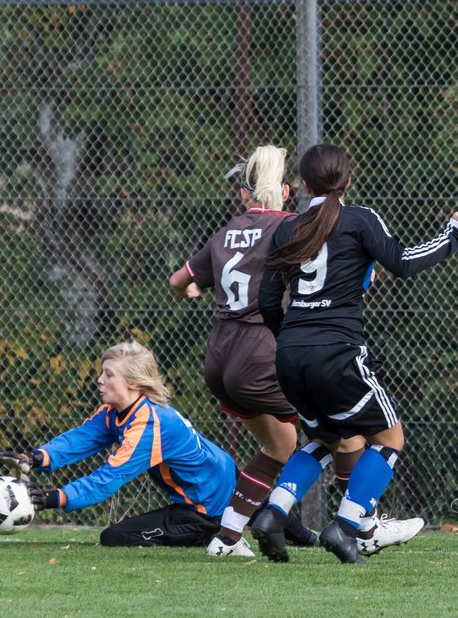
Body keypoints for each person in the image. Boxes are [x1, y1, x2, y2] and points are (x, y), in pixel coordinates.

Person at [169, 145, 419, 559]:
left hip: (220, 357)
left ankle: (230, 535)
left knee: (284, 444)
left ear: (245, 196)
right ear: (286, 193)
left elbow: (180, 281)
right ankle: (362, 524)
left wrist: (193, 289)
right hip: (268, 353)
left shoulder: (227, 231)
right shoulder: (299, 225)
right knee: (342, 434)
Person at [251, 142, 458, 564]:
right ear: (348, 181)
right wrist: (453, 235)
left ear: (302, 185)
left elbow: (266, 302)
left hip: (290, 355)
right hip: (336, 354)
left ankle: (273, 513)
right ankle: (347, 525)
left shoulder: (287, 228)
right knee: (390, 438)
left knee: (324, 437)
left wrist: (293, 338)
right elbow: (404, 263)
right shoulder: (360, 219)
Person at [0, 341, 237, 548]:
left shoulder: (149, 426)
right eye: (101, 372)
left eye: (109, 374)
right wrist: (34, 457)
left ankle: (214, 533)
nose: (99, 380)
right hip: (221, 481)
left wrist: (54, 498)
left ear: (134, 383)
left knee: (115, 537)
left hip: (208, 507)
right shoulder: (116, 411)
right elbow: (81, 438)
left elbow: (108, 479)